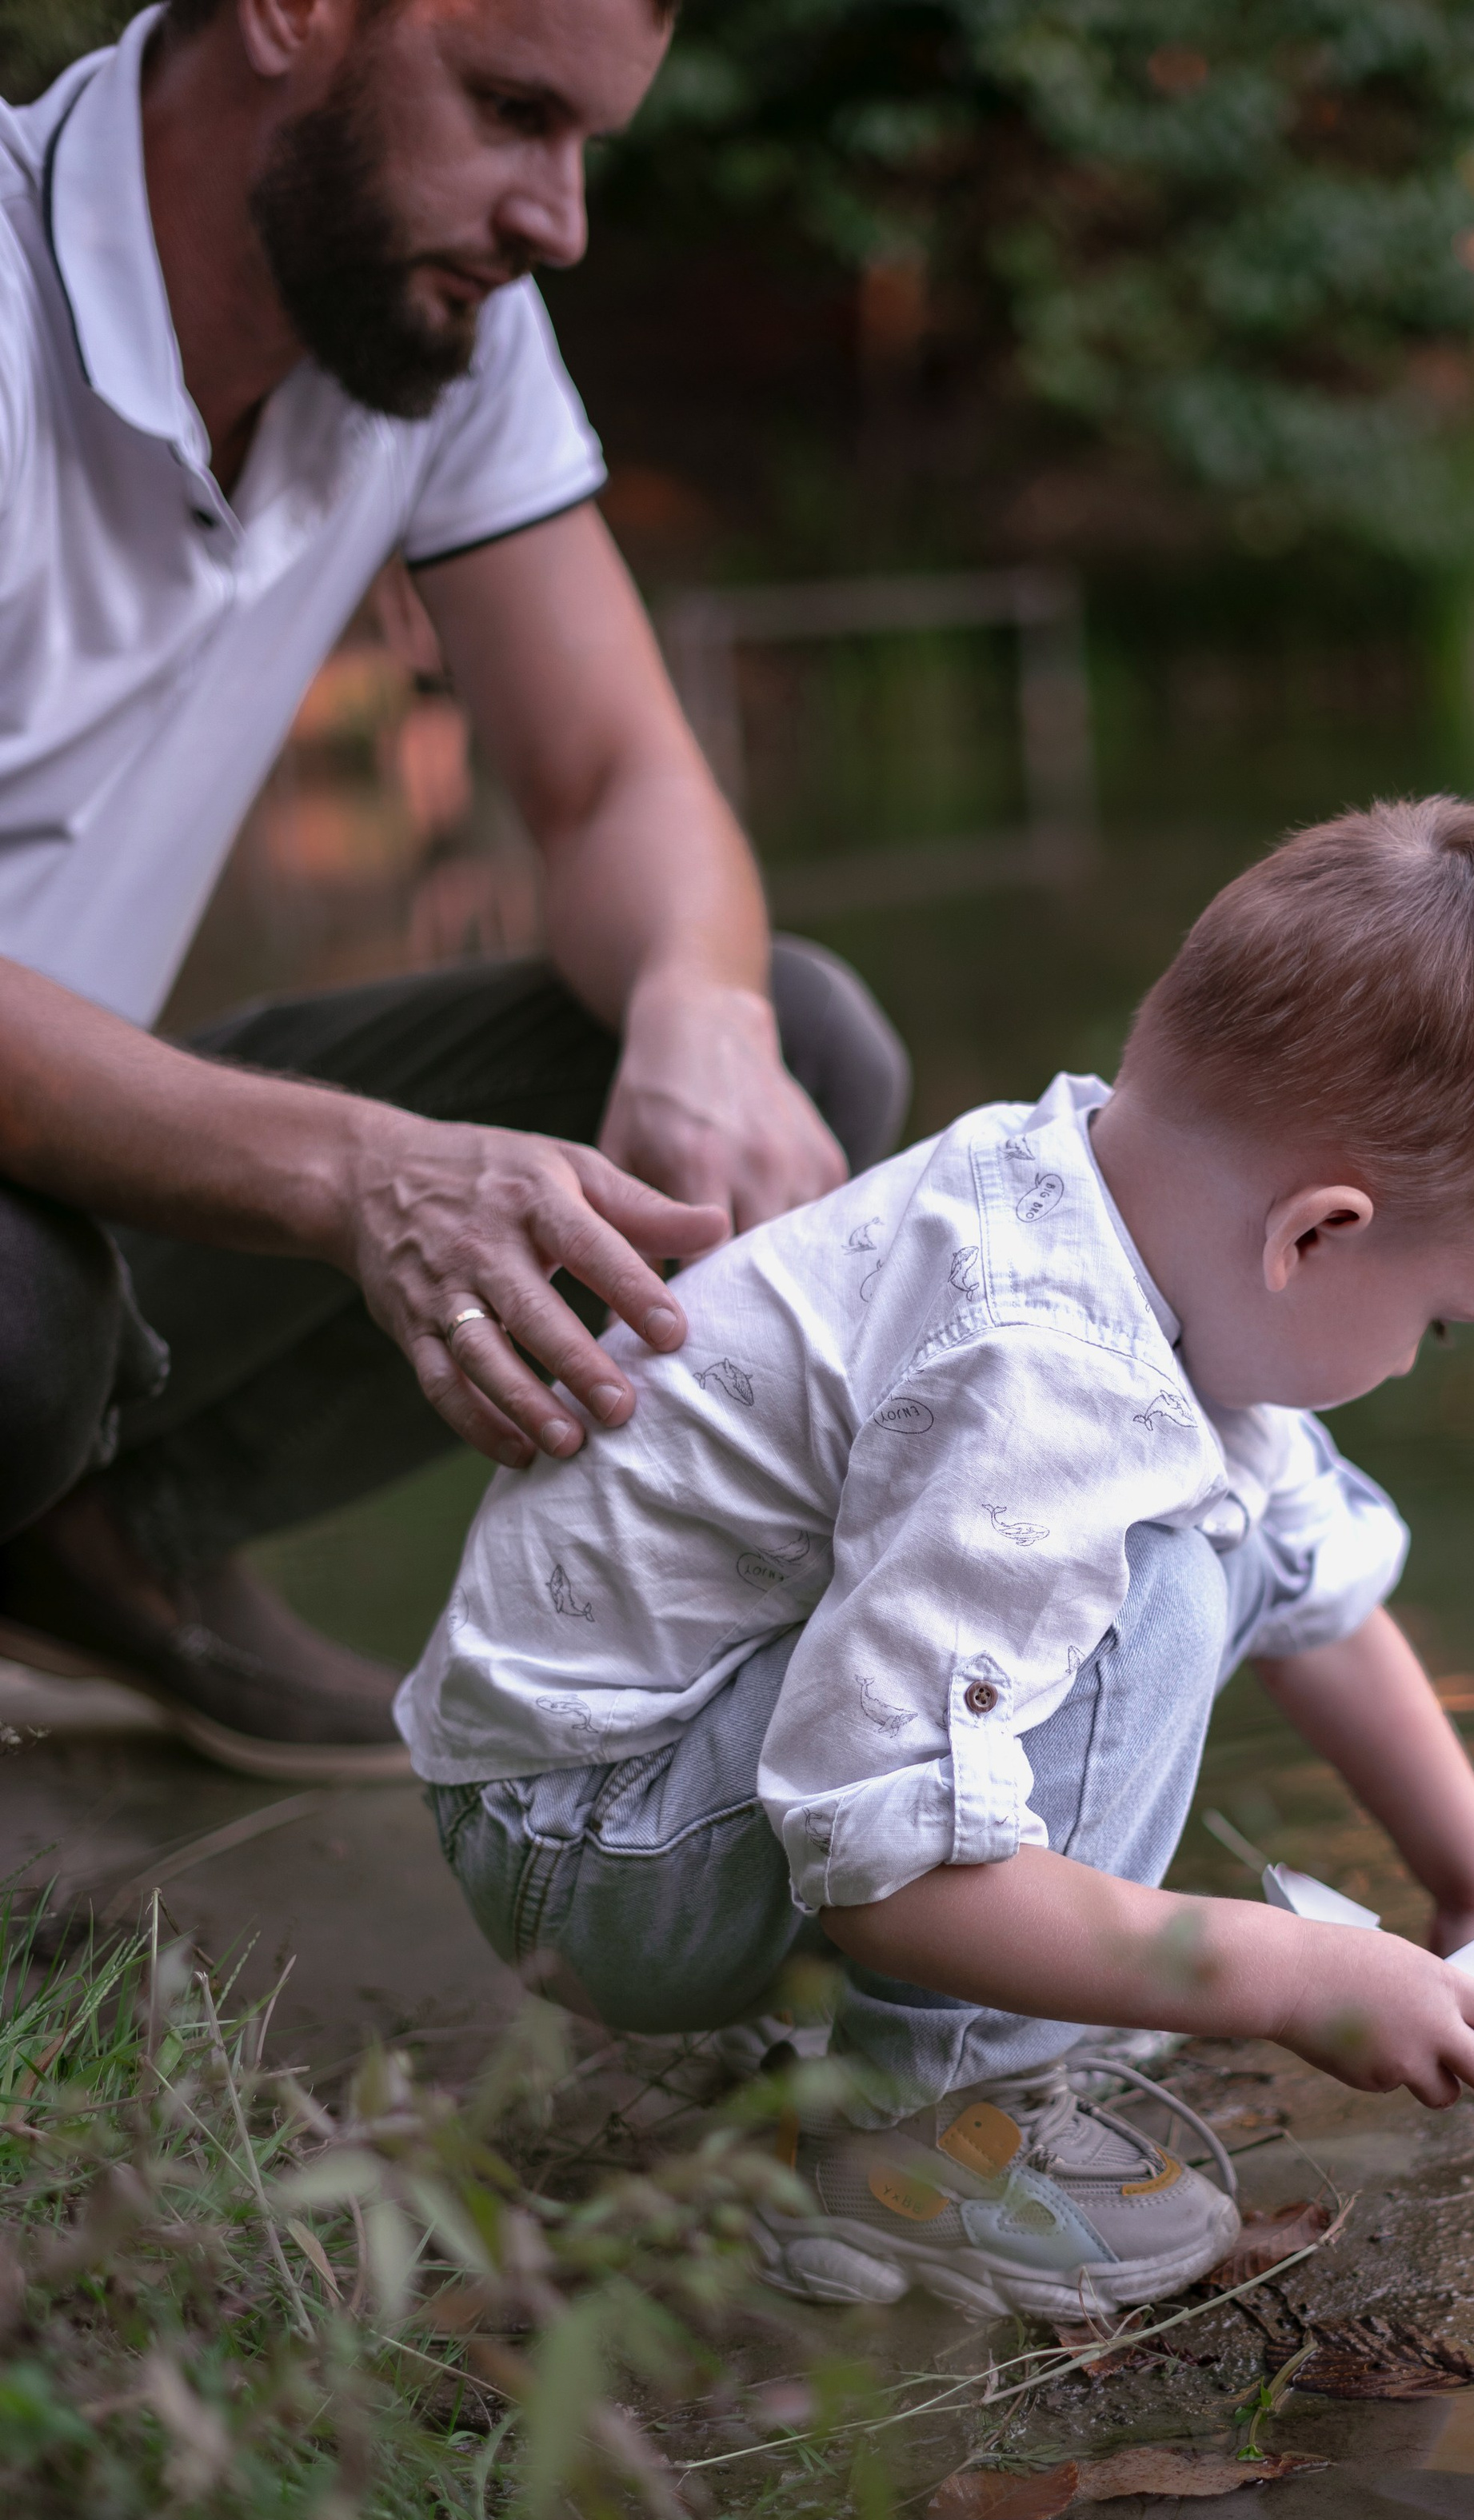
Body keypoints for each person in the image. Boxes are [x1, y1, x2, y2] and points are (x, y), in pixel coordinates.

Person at [399, 799, 1474, 2317]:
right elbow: (888, 1871)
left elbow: (1312, 1581)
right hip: (591, 1841)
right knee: (1162, 1586)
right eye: (1437, 1325)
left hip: (642, 1775)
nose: (1413, 1367)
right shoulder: (1044, 1379)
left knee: (1215, 1542)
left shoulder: (1101, 1198)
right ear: (1316, 1235)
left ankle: (868, 2052)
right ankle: (922, 2134)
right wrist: (1286, 1970)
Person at [0, 0, 909, 1780]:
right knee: (15, 1323)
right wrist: (364, 1174)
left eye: (582, 143)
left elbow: (611, 781)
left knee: (789, 1045)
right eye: (508, 111)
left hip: (62, 1153)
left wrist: (698, 1019)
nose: (557, 216)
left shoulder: (439, 328)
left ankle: (99, 1545)